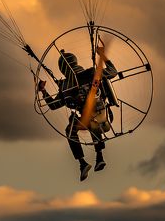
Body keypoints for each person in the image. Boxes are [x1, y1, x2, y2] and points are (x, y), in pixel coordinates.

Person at [38, 50, 119, 181]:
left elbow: (53, 105)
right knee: (84, 123)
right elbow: (113, 72)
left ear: (63, 69)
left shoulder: (66, 85)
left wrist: (43, 91)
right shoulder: (91, 73)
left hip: (96, 118)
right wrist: (102, 56)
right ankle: (96, 157)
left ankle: (85, 162)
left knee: (74, 128)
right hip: (97, 117)